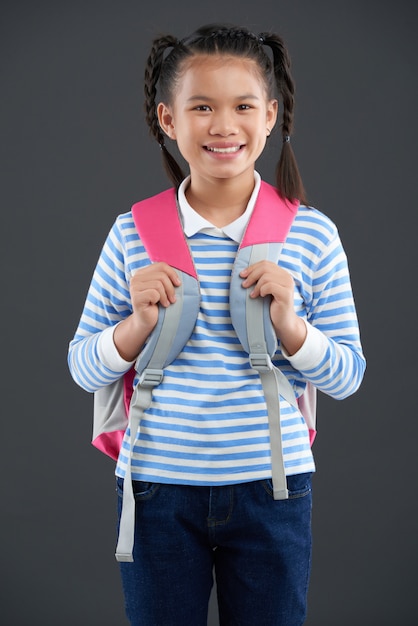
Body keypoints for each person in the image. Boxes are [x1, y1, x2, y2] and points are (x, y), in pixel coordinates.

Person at [68, 23, 366, 626]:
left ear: (272, 115)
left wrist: (291, 326)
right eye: (201, 106)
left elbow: (348, 376)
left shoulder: (311, 235)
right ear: (168, 120)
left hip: (273, 489)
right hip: (154, 490)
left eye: (243, 106)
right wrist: (133, 327)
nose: (223, 125)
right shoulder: (133, 234)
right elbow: (81, 365)